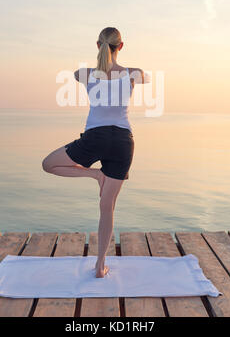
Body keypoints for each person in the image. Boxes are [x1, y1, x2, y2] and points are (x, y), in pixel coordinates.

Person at [42, 27, 150, 278]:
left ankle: (94, 176)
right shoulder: (134, 73)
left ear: (97, 44)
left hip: (95, 138)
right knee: (107, 207)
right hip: (123, 141)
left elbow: (81, 73)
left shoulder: (84, 74)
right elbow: (145, 77)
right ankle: (100, 265)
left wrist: (92, 173)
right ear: (120, 46)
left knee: (49, 164)